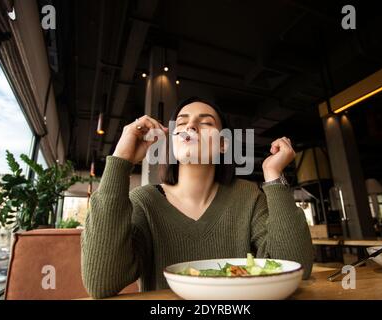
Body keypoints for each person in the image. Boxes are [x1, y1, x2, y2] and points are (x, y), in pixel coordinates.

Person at [81, 97, 313, 299]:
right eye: (181, 123)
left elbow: (296, 268)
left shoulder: (248, 196)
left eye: (205, 123)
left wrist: (273, 177)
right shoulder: (145, 201)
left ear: (223, 144)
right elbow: (101, 283)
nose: (190, 125)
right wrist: (121, 158)